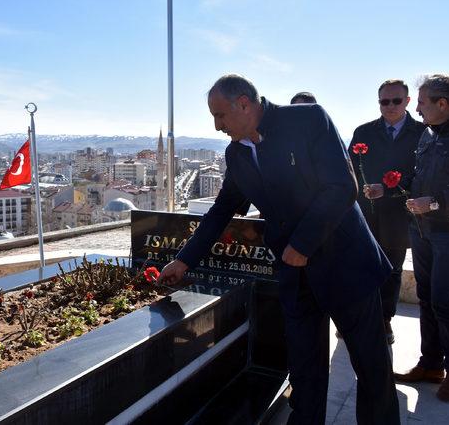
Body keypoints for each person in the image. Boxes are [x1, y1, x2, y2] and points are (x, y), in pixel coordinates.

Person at [159, 74, 399, 424]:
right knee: (304, 370)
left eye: (221, 116)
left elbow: (343, 186)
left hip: (345, 265)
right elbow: (222, 210)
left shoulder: (308, 119)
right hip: (295, 274)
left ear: (244, 103)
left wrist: (302, 244)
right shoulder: (236, 153)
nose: (217, 126)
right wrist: (183, 260)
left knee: (371, 366)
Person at [374, 74, 449, 402]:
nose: (416, 109)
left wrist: (433, 203)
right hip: (422, 231)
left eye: (421, 102)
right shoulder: (429, 135)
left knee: (447, 303)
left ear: (442, 104)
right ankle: (432, 364)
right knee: (427, 300)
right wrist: (390, 186)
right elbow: (419, 176)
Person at [349, 79, 425, 344]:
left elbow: (424, 176)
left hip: (399, 216)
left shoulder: (422, 132)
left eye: (396, 100)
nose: (390, 106)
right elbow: (351, 172)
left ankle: (384, 320)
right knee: (361, 267)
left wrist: (390, 189)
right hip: (365, 215)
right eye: (384, 101)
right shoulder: (363, 132)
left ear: (407, 101)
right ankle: (359, 317)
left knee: (391, 271)